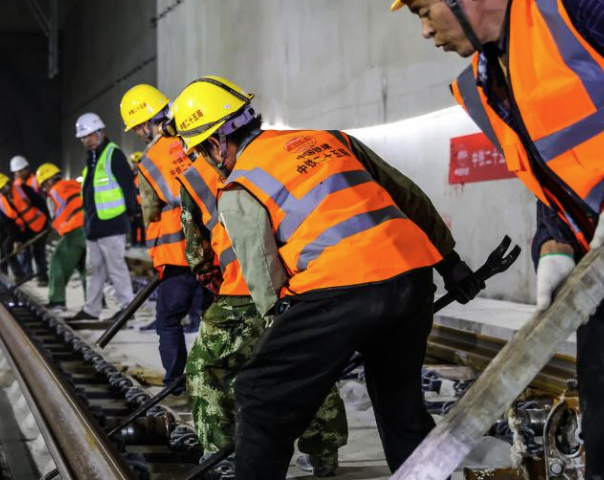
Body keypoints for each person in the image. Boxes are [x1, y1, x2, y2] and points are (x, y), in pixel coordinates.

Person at [167, 76, 483, 478]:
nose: (208, 162)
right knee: (400, 407)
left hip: (338, 288)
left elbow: (263, 274)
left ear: (215, 143)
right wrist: (450, 264)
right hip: (411, 277)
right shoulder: (331, 139)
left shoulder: (239, 183)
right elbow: (406, 194)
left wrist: (281, 331)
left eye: (202, 151)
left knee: (259, 394)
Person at [393, 0, 604, 475]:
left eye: (424, 11)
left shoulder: (574, 11)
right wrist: (554, 244)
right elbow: (551, 173)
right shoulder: (488, 78)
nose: (426, 31)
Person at [172, 114, 348, 475]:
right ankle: (324, 453)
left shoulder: (192, 178)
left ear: (208, 141)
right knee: (306, 365)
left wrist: (212, 280)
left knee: (207, 368)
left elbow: (196, 252)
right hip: (298, 285)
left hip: (241, 291)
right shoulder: (282, 150)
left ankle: (222, 457)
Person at [120, 84, 210, 393]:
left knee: (169, 322)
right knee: (215, 320)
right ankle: (217, 382)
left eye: (137, 127)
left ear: (146, 123)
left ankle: (175, 384)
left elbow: (150, 211)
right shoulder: (194, 139)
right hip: (214, 249)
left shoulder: (149, 162)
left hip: (176, 257)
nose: (138, 133)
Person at [70, 113, 138, 320]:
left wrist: (131, 214)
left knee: (116, 268)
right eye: (83, 138)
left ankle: (127, 309)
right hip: (94, 226)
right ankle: (92, 310)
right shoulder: (91, 160)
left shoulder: (112, 154)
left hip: (112, 224)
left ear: (101, 132)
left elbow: (128, 187)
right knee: (94, 270)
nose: (86, 141)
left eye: (89, 136)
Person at [35, 162, 86, 312]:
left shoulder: (52, 194)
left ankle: (57, 301)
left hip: (74, 231)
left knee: (57, 261)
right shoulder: (75, 184)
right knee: (84, 266)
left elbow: (57, 217)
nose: (44, 189)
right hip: (90, 227)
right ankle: (96, 301)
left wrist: (57, 226)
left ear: (50, 180)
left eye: (44, 185)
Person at [0, 172, 49, 285]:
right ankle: (20, 275)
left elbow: (40, 203)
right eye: (0, 190)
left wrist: (48, 220)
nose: (3, 191)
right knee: (7, 247)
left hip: (39, 224)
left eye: (3, 187)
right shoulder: (2, 203)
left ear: (8, 183)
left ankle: (43, 278)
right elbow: (10, 224)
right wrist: (16, 240)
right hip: (24, 230)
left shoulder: (23, 189)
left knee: (38, 251)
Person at [129, 152, 146, 247]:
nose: (135, 165)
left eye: (137, 162)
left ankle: (143, 243)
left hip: (143, 205)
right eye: (133, 163)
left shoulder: (145, 174)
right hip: (134, 205)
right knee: (133, 226)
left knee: (143, 226)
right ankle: (134, 243)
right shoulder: (131, 176)